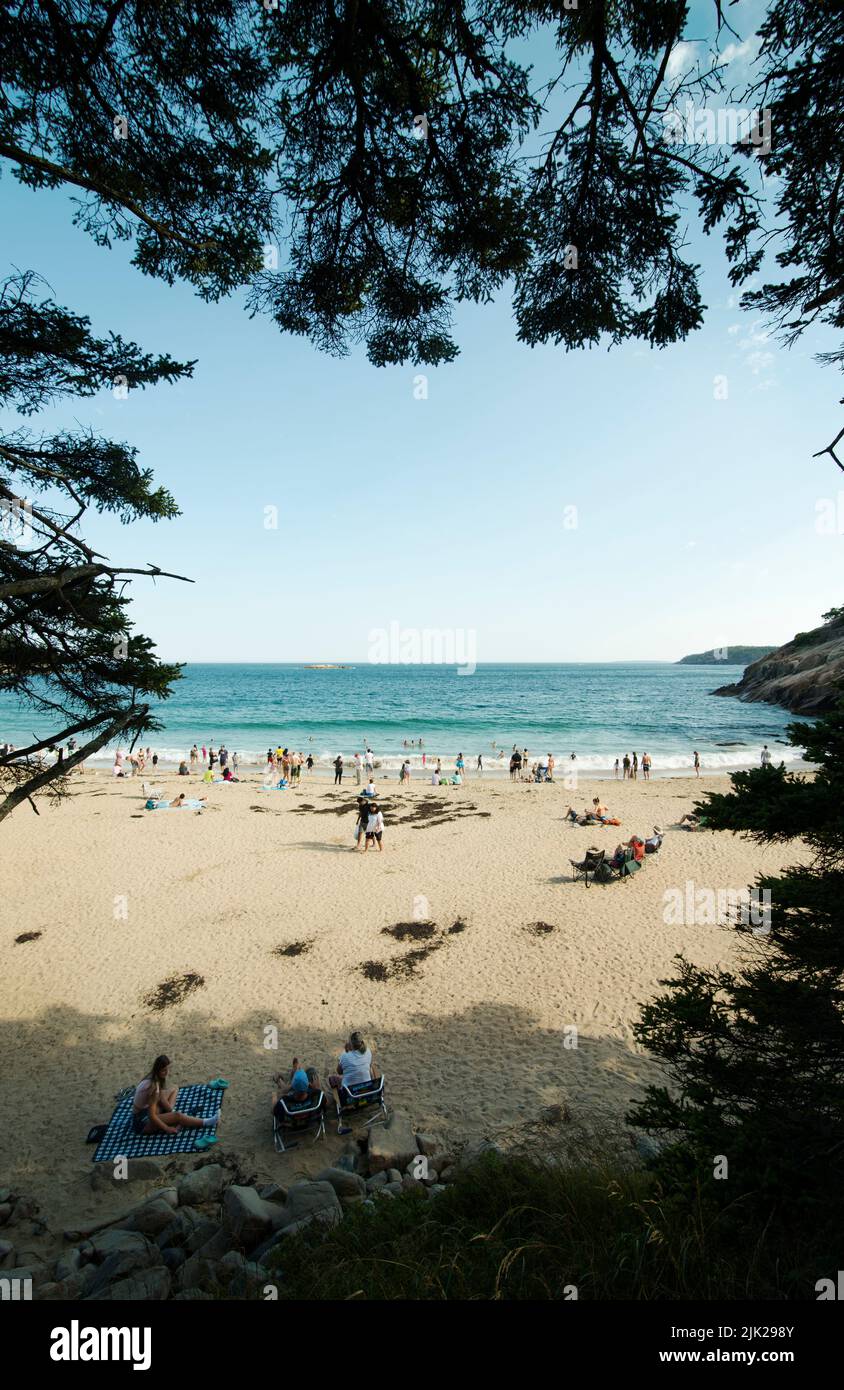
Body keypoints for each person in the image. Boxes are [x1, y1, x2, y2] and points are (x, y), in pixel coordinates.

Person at [132, 1056, 219, 1136]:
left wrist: (170, 1111)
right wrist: (167, 1128)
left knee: (174, 1088)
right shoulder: (154, 1088)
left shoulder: (153, 1076)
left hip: (143, 1112)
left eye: (167, 1069)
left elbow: (161, 1099)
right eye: (163, 1070)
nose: (166, 1072)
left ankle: (173, 1118)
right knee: (178, 1116)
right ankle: (206, 1122)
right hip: (141, 1123)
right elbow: (152, 1116)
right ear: (157, 1070)